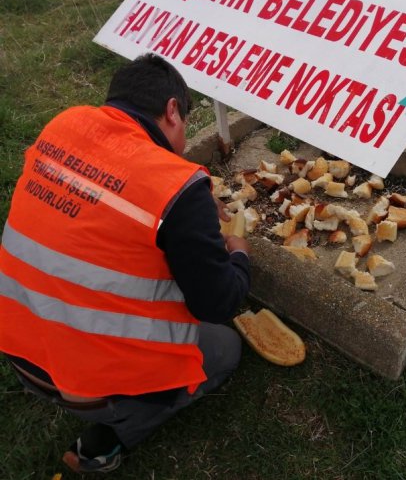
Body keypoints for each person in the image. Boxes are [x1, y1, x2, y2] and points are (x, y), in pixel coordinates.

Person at [0, 53, 251, 473]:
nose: (184, 138)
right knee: (223, 348)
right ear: (172, 110)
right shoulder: (178, 186)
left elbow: (106, 198)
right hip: (91, 387)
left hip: (20, 348)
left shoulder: (62, 124)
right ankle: (113, 434)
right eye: (185, 123)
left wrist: (184, 215)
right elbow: (219, 302)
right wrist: (240, 252)